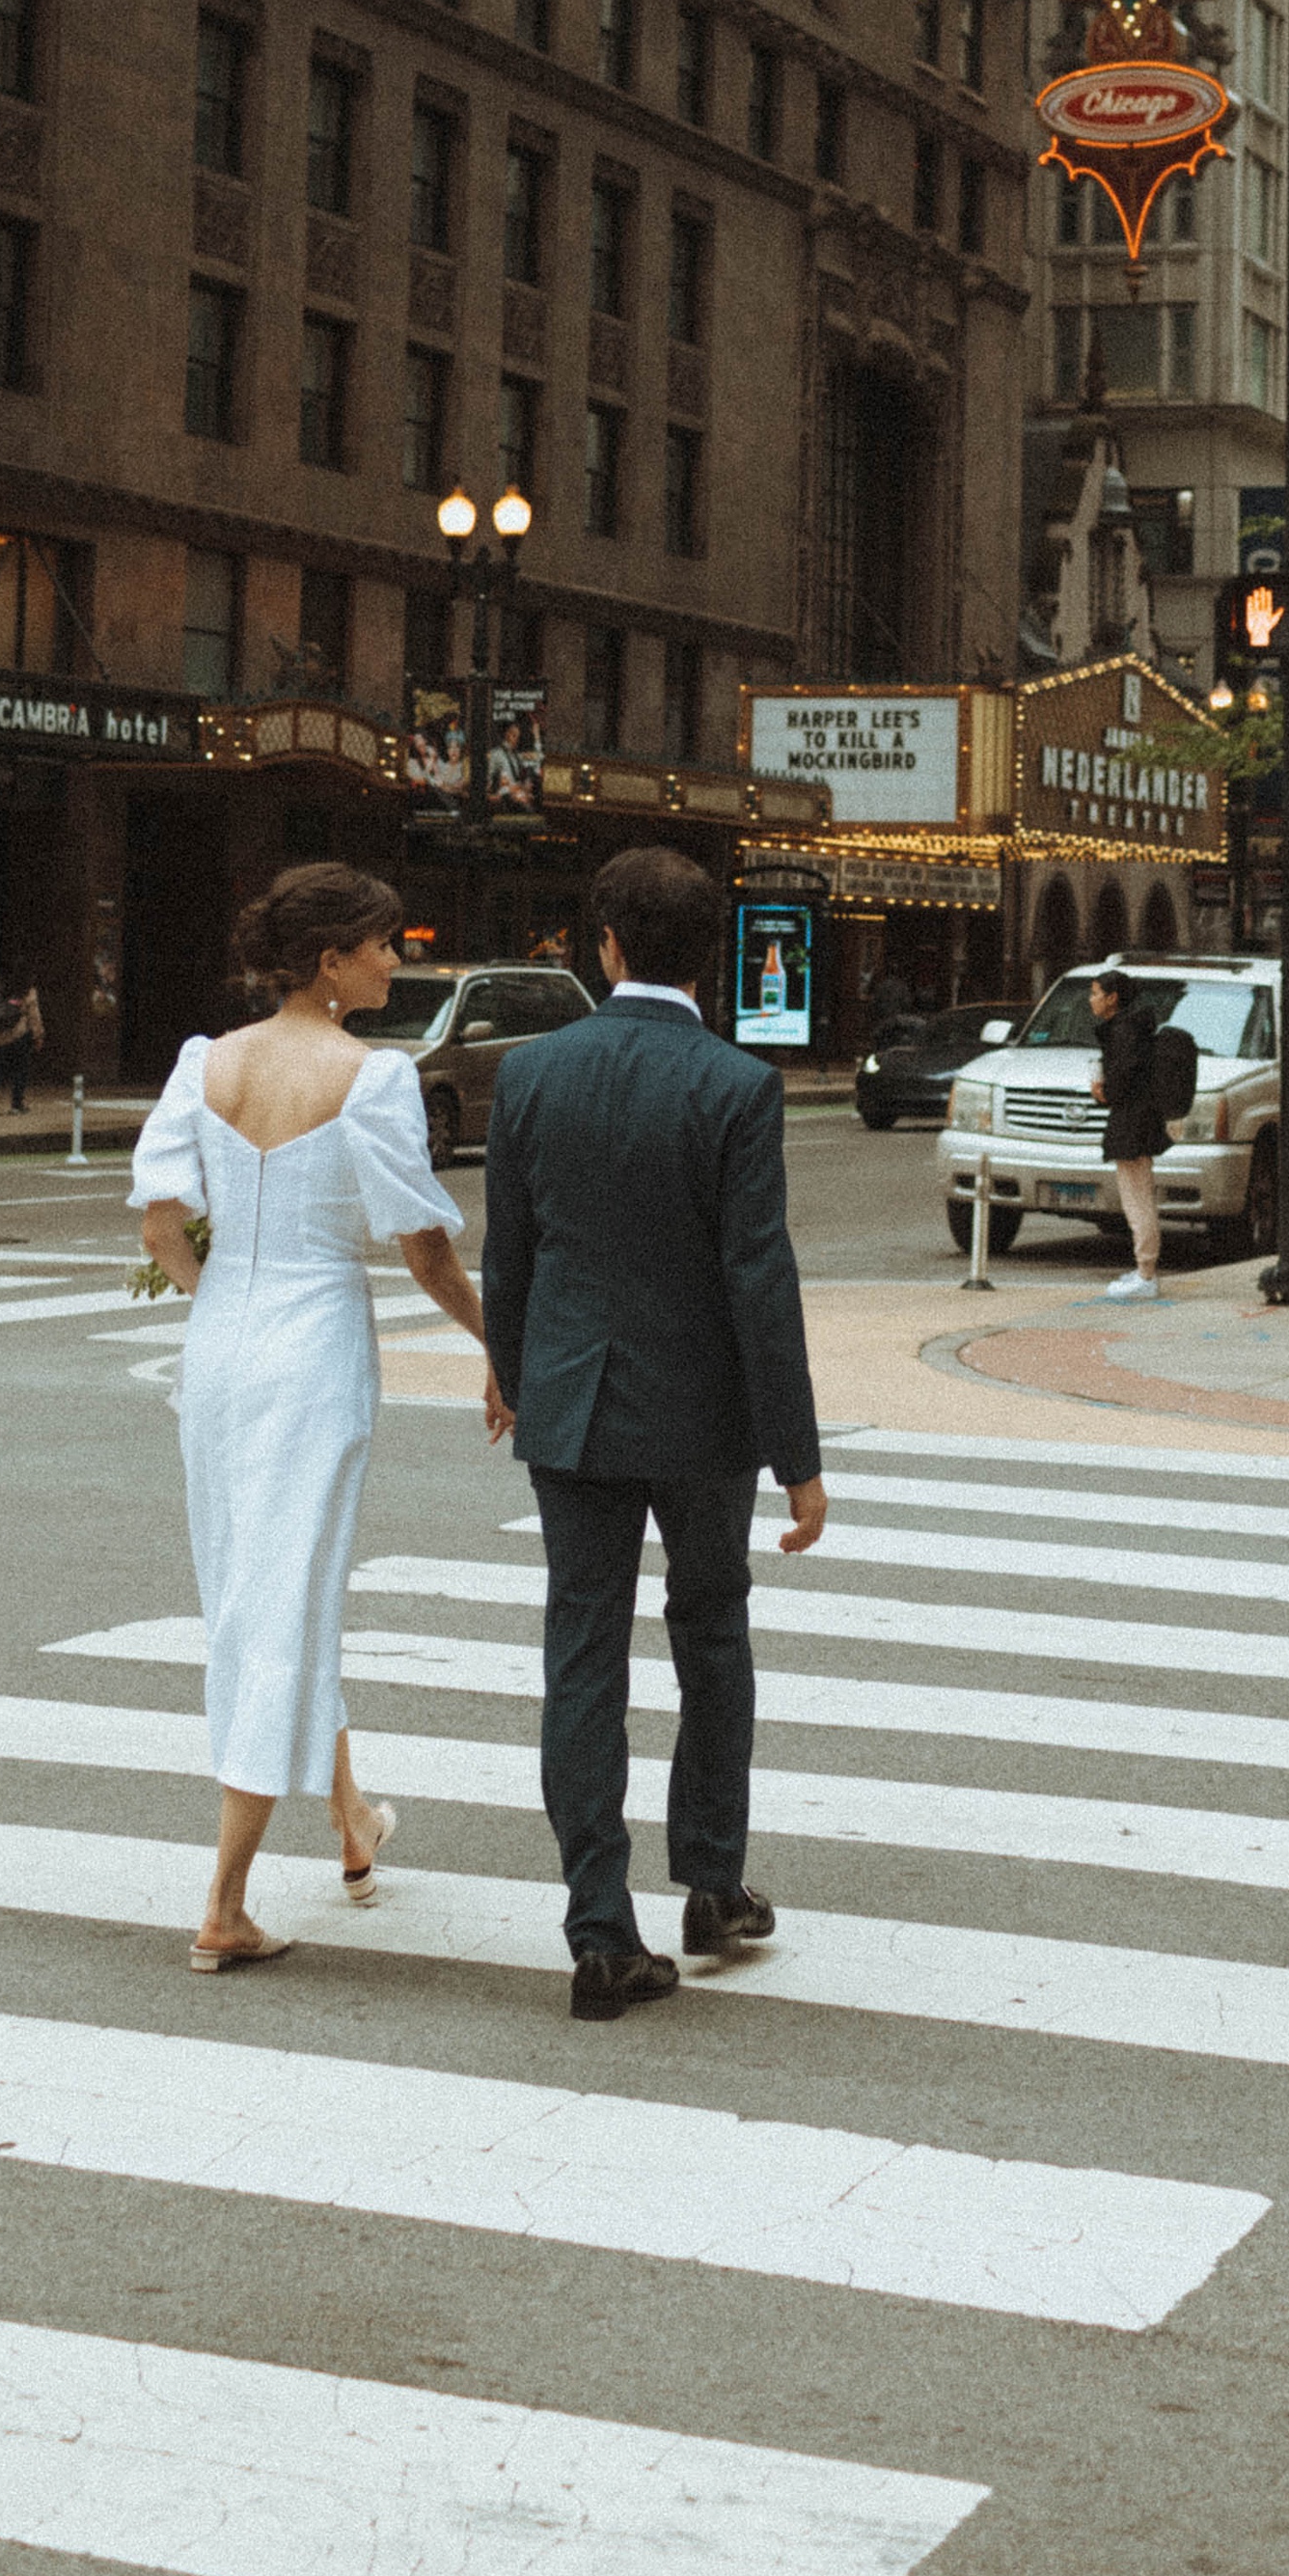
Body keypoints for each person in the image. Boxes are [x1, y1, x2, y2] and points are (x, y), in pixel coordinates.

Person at [480, 842, 825, 2023]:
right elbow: (758, 1283)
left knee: (581, 1656)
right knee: (711, 1634)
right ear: (712, 953)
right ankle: (713, 1882)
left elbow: (510, 1256)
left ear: (606, 945)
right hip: (704, 1415)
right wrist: (801, 1459)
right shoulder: (737, 1086)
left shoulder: (531, 1075)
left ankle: (597, 1926)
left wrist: (509, 1372)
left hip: (571, 1402)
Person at [136, 862, 493, 1967]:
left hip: (223, 1349)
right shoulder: (372, 1078)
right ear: (332, 960)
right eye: (383, 943)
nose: (398, 958)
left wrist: (222, 1305)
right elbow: (425, 1247)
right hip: (315, 1350)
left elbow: (161, 1222)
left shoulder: (208, 1062)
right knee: (282, 1601)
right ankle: (225, 1905)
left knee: (258, 1582)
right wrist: (500, 1344)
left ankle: (350, 1821)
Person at [1089, 966, 1192, 1302]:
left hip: (1132, 1123)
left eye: (1095, 993)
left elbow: (1121, 1084)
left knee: (1137, 1200)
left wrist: (1103, 1091)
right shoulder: (1131, 1029)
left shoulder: (1124, 1033)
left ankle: (1146, 1273)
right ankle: (1143, 1268)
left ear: (1112, 998)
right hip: (1138, 1122)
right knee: (1138, 1194)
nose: (1091, 1000)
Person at [0, 971, 46, 1114]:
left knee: (2, 1065)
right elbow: (34, 1015)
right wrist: (38, 1036)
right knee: (21, 1069)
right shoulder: (27, 991)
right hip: (19, 1033)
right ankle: (16, 1104)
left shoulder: (2, 987)